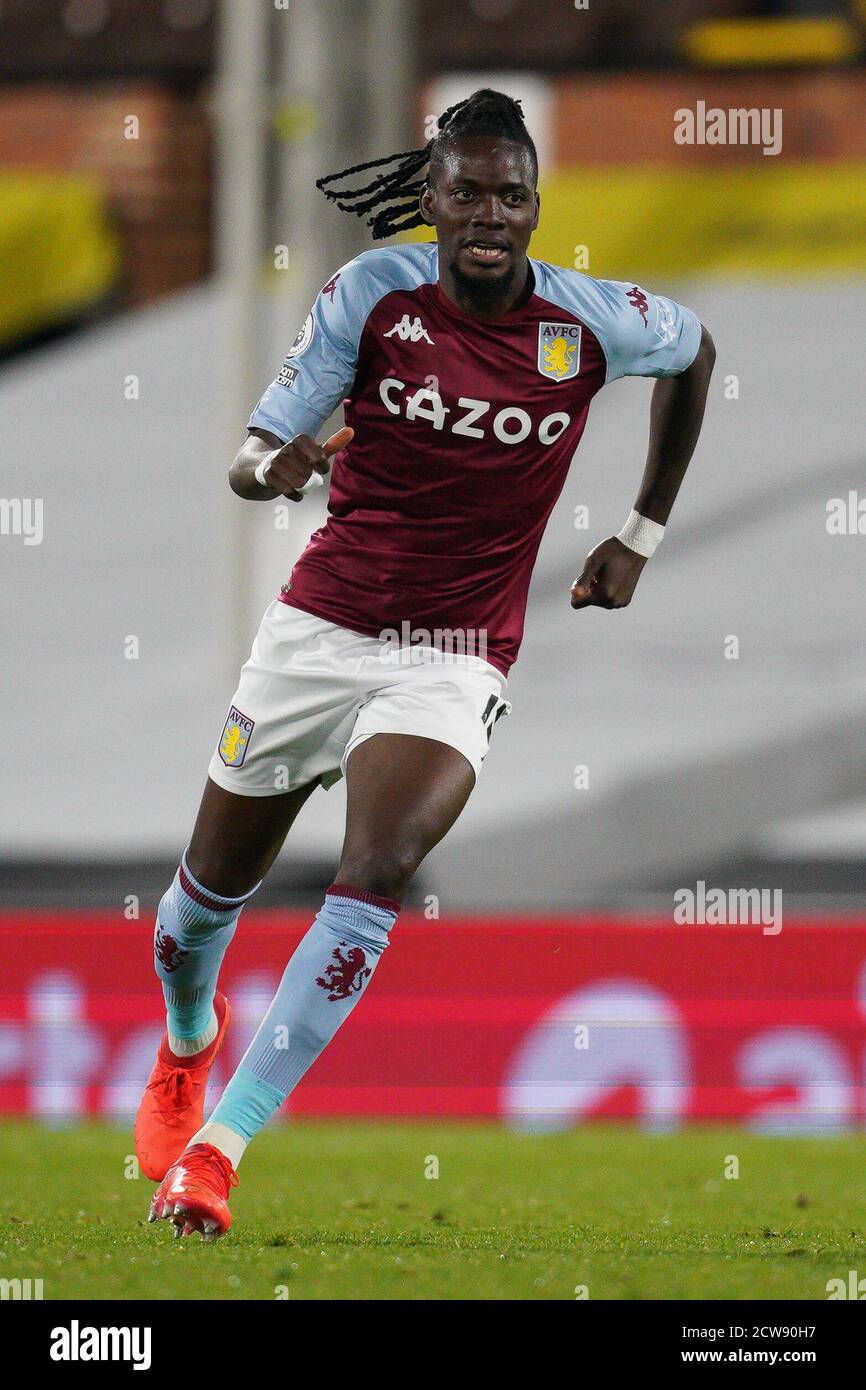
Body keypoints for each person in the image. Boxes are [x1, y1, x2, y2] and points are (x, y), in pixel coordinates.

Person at [137, 89, 715, 1240]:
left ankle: (217, 1153)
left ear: (535, 204)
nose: (488, 213)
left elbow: (697, 355)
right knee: (196, 912)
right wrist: (282, 464)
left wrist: (640, 534)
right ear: (432, 199)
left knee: (380, 866)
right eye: (465, 192)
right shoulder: (369, 295)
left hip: (454, 655)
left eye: (510, 193)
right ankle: (185, 1044)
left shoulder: (595, 322)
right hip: (318, 632)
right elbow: (250, 457)